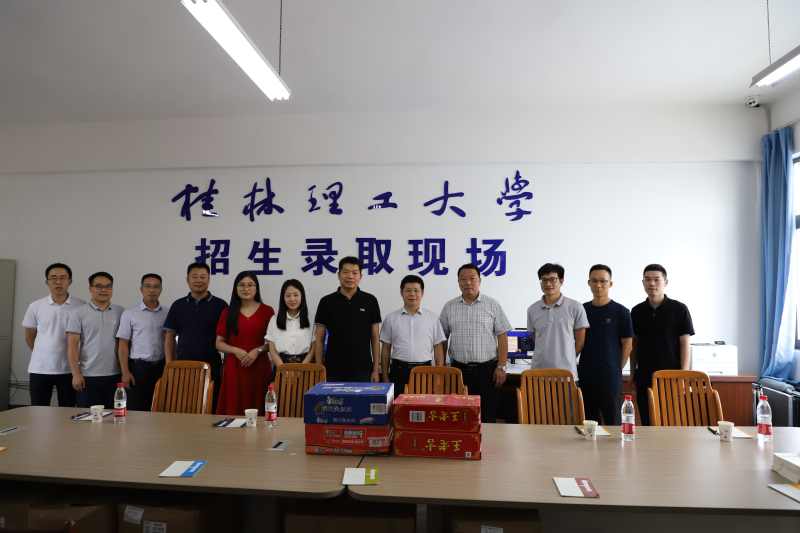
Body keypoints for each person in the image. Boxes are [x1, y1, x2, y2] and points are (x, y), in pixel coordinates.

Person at [440, 264, 511, 423]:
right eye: (463, 279)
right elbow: (442, 338)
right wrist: (442, 368)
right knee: (459, 416)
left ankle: (487, 440)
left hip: (487, 371)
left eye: (472, 278)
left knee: (487, 416)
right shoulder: (449, 307)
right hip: (459, 370)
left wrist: (502, 367)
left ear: (479, 281)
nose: (468, 282)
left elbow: (502, 336)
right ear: (458, 282)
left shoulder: (493, 305)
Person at [629, 264, 695, 426]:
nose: (652, 283)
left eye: (656, 279)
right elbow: (634, 345)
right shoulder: (636, 311)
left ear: (665, 282)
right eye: (647, 279)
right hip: (644, 377)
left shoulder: (679, 309)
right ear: (643, 282)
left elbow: (685, 344)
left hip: (671, 377)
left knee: (669, 423)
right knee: (647, 422)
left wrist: (683, 376)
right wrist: (632, 374)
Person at [163, 262, 228, 413]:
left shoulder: (221, 305)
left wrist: (225, 363)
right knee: (184, 405)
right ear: (187, 280)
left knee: (211, 405)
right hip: (183, 364)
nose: (198, 280)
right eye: (194, 277)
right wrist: (169, 364)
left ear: (209, 279)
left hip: (212, 363)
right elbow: (170, 337)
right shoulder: (178, 305)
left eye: (203, 277)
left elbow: (228, 339)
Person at [22, 263, 86, 407]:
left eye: (63, 278)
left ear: (70, 281)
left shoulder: (81, 306)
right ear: (47, 282)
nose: (58, 282)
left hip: (70, 369)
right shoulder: (35, 306)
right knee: (38, 410)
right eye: (53, 278)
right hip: (40, 368)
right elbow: (29, 337)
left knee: (68, 410)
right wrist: (42, 354)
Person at [578, 264, 633, 426]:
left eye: (603, 281)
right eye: (594, 281)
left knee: (613, 425)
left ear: (610, 283)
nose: (598, 285)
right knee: (589, 426)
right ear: (589, 283)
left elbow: (628, 346)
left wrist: (615, 369)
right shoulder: (582, 310)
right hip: (586, 376)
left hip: (609, 379)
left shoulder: (621, 312)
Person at [215, 271, 275, 416]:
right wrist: (235, 350)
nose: (246, 288)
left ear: (256, 288)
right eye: (241, 285)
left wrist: (258, 350)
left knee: (260, 402)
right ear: (236, 288)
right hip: (235, 366)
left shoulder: (267, 311)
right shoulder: (227, 312)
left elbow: (273, 344)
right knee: (234, 405)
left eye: (250, 285)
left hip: (260, 365)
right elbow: (219, 343)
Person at [314, 257, 382, 382]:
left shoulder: (370, 301)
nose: (350, 276)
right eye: (346, 272)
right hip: (333, 371)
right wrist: (320, 371)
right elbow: (319, 339)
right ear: (338, 275)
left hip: (363, 370)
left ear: (360, 277)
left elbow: (375, 338)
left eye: (355, 273)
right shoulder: (326, 302)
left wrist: (376, 370)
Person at [380, 275, 446, 398]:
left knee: (424, 405)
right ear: (401, 293)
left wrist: (439, 376)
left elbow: (438, 348)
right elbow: (386, 348)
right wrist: (384, 376)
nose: (412, 294)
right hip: (399, 371)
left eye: (416, 290)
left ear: (422, 293)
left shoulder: (432, 317)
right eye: (408, 290)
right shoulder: (391, 318)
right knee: (399, 406)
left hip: (425, 371)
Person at [66, 272, 124, 408]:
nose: (104, 290)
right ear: (90, 289)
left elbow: (125, 343)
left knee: (113, 416)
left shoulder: (121, 312)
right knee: (87, 416)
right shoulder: (79, 313)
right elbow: (72, 346)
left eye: (108, 286)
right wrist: (76, 374)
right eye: (99, 286)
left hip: (115, 375)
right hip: (88, 376)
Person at [526, 263, 589, 384]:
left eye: (552, 279)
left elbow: (580, 342)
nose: (548, 284)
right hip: (538, 374)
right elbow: (536, 340)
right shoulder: (532, 310)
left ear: (561, 281)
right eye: (544, 280)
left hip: (566, 375)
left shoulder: (575, 307)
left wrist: (566, 358)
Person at [116, 274, 169, 411]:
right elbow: (123, 344)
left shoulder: (168, 313)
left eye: (156, 287)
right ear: (141, 289)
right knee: (137, 410)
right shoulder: (130, 313)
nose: (152, 290)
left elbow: (172, 342)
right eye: (148, 286)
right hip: (138, 369)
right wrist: (125, 371)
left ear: (161, 289)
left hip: (161, 368)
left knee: (161, 408)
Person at [265, 279, 316, 383]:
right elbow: (272, 350)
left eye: (296, 295)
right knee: (278, 394)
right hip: (281, 366)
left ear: (302, 296)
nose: (292, 299)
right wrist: (284, 370)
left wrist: (301, 369)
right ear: (283, 298)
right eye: (288, 295)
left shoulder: (311, 319)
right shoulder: (274, 320)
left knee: (304, 394)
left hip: (305, 366)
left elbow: (314, 348)